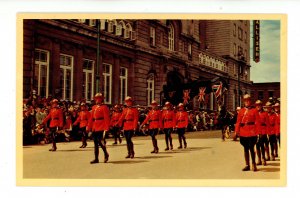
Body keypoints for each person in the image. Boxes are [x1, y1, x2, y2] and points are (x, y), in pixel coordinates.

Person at [235, 94, 260, 171]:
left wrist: (258, 132)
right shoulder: (241, 111)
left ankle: (253, 164)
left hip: (252, 132)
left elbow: (257, 122)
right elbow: (238, 122)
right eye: (245, 100)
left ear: (250, 101)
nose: (247, 102)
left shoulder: (254, 110)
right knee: (245, 148)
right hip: (243, 132)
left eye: (248, 100)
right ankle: (247, 165)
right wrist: (236, 131)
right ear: (244, 101)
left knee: (251, 148)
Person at [88, 93, 110, 164]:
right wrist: (89, 127)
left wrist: (106, 128)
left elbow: (106, 118)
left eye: (99, 98)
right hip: (95, 126)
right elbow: (91, 118)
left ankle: (106, 154)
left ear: (101, 99)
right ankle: (96, 158)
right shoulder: (94, 107)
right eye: (96, 98)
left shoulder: (104, 107)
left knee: (100, 142)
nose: (97, 100)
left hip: (101, 126)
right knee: (95, 143)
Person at [255, 100, 269, 166]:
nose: (258, 106)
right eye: (257, 105)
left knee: (262, 145)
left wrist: (267, 132)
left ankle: (263, 159)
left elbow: (267, 123)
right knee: (257, 146)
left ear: (261, 105)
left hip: (263, 131)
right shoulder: (254, 112)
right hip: (256, 131)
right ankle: (259, 159)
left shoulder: (265, 113)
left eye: (259, 105)